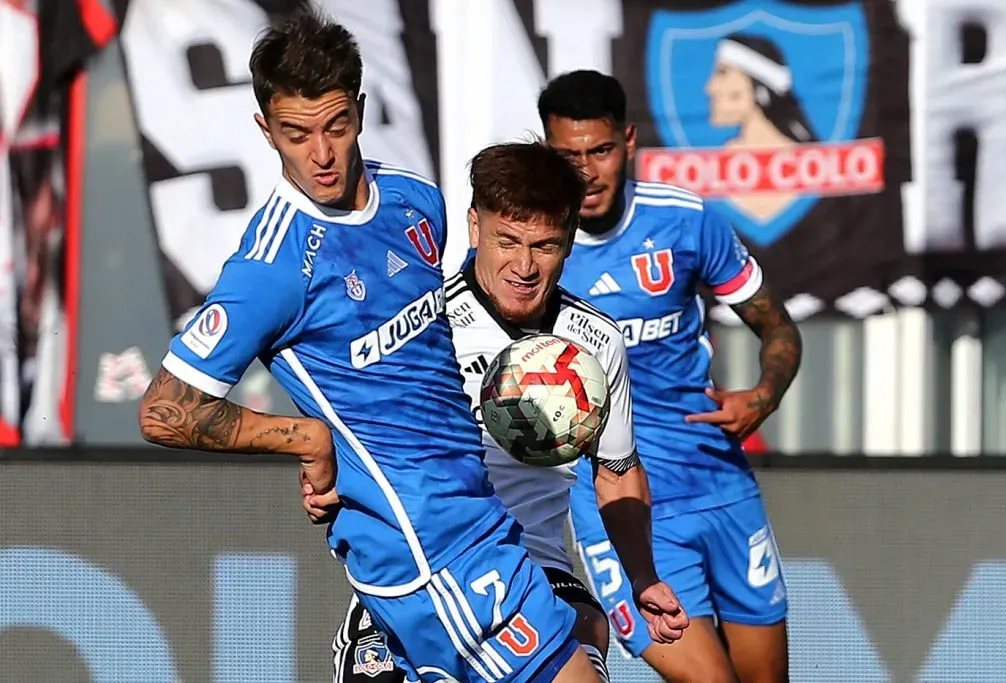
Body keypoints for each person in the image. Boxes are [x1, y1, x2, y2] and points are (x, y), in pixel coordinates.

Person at [137, 13, 635, 682]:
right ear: (264, 129)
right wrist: (308, 439)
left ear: (362, 111)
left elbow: (421, 365)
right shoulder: (273, 267)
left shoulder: (414, 205)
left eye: (336, 126)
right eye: (296, 133)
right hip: (426, 546)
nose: (321, 153)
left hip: (478, 515)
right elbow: (164, 410)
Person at [304, 141, 689, 683]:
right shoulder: (418, 326)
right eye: (508, 241)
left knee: (584, 631)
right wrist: (324, 474)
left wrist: (642, 576)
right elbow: (351, 430)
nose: (525, 266)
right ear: (474, 227)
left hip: (537, 570)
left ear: (571, 241)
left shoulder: (596, 343)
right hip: (426, 572)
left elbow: (618, 473)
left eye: (545, 246)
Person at [538, 70, 803, 683]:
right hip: (619, 506)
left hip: (721, 485)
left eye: (599, 150)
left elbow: (780, 329)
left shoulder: (687, 222)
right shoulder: (532, 249)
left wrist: (763, 397)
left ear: (628, 141)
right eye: (567, 156)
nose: (586, 171)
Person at [704, 33, 818, 221]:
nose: (710, 87)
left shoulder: (805, 157)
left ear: (760, 87)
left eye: (722, 73)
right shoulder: (724, 153)